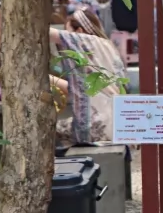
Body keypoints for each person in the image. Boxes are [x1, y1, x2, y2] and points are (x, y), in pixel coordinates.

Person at [50, 8, 128, 145]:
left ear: (79, 31)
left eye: (69, 31)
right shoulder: (108, 46)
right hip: (120, 123)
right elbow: (85, 88)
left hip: (99, 124)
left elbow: (47, 33)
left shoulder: (86, 42)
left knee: (50, 129)